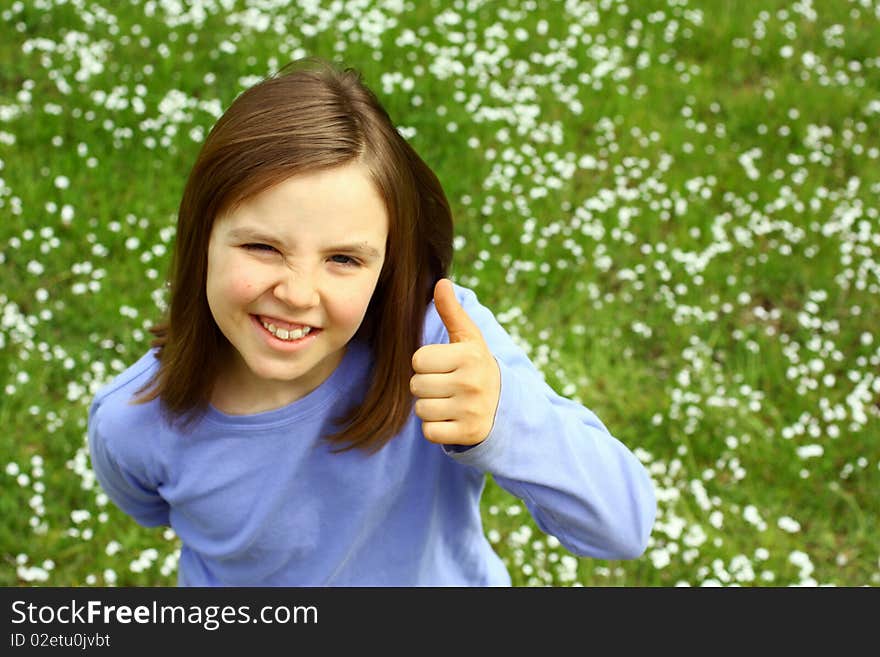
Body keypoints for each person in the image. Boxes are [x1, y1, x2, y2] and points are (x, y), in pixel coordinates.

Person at [88, 57, 656, 586]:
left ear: (387, 265)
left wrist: (500, 418)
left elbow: (622, 525)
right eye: (262, 247)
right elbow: (152, 510)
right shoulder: (132, 421)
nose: (297, 293)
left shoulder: (439, 352)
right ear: (201, 240)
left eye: (343, 259)